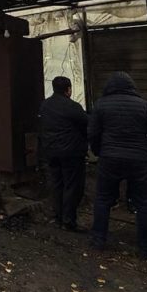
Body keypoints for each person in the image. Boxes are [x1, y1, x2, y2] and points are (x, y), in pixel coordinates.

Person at [88, 71, 147, 259]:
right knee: (143, 203)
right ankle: (146, 248)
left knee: (103, 199)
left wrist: (99, 152)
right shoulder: (145, 106)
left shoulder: (101, 105)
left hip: (110, 158)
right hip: (139, 160)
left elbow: (93, 133)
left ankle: (98, 240)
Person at [38, 76, 89, 231]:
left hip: (51, 151)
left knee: (57, 184)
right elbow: (86, 124)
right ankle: (69, 220)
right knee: (72, 186)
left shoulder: (45, 105)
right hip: (71, 153)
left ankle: (58, 216)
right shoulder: (73, 107)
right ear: (68, 90)